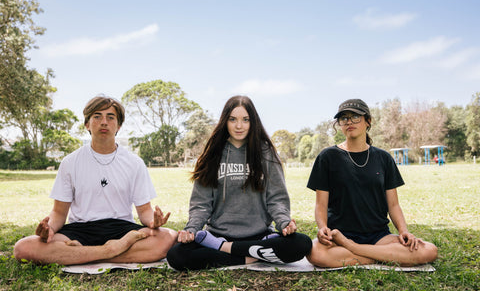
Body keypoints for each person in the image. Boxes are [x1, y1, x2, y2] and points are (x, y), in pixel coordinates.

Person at [14, 95, 177, 265]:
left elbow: (144, 211)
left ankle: (80, 255)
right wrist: (50, 229)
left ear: (119, 126)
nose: (104, 122)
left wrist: (153, 221)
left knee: (168, 237)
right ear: (87, 124)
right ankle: (110, 251)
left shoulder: (134, 163)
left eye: (110, 117)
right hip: (81, 229)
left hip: (121, 228)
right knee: (24, 248)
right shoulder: (70, 162)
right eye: (97, 116)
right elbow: (59, 213)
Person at [167, 95, 312, 270]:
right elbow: (201, 204)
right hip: (219, 234)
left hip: (259, 236)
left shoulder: (266, 153)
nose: (239, 126)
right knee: (176, 255)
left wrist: (284, 223)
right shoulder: (212, 155)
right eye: (233, 119)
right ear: (225, 121)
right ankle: (252, 256)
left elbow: (276, 198)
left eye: (245, 120)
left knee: (301, 244)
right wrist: (191, 229)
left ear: (253, 122)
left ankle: (226, 251)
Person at [306, 99, 438, 268]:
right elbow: (320, 205)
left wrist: (404, 231)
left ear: (368, 121)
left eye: (355, 117)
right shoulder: (327, 157)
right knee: (315, 253)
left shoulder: (383, 158)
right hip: (338, 236)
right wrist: (323, 227)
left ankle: (355, 249)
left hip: (379, 237)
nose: (349, 122)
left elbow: (394, 205)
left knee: (429, 250)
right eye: (344, 118)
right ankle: (387, 257)